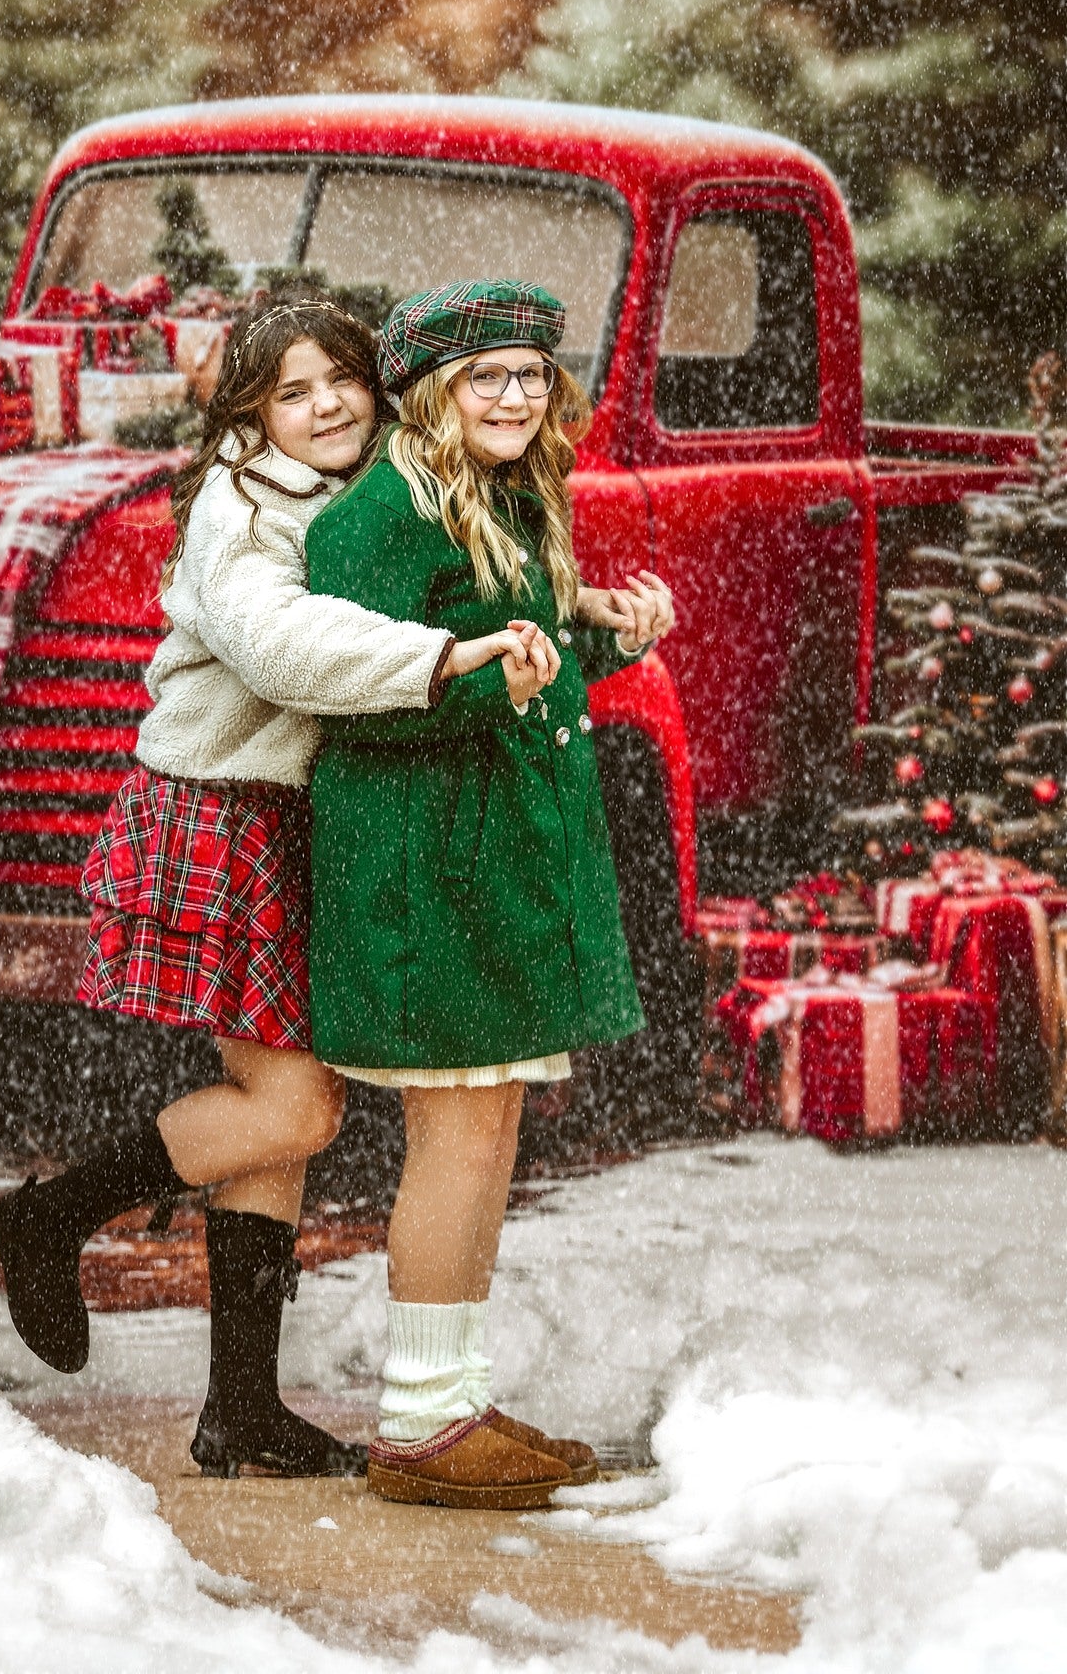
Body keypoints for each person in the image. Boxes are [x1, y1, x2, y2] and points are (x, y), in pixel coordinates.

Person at [0, 291, 559, 1479]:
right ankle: (50, 1215)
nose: (324, 407)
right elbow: (277, 642)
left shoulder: (366, 487)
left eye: (339, 380)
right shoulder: (237, 507)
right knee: (296, 1106)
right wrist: (441, 662)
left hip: (316, 817)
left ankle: (238, 1408)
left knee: (283, 1114)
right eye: (289, 393)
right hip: (224, 812)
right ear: (251, 414)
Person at [304, 279, 675, 1510]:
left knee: (489, 1126)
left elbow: (514, 639)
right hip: (427, 864)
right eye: (484, 377)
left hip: (490, 853)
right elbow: (350, 683)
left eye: (528, 374)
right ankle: (417, 1423)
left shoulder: (503, 494)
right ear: (431, 393)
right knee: (454, 1134)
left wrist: (601, 633)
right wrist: (480, 681)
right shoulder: (379, 517)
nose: (513, 396)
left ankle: (451, 1398)